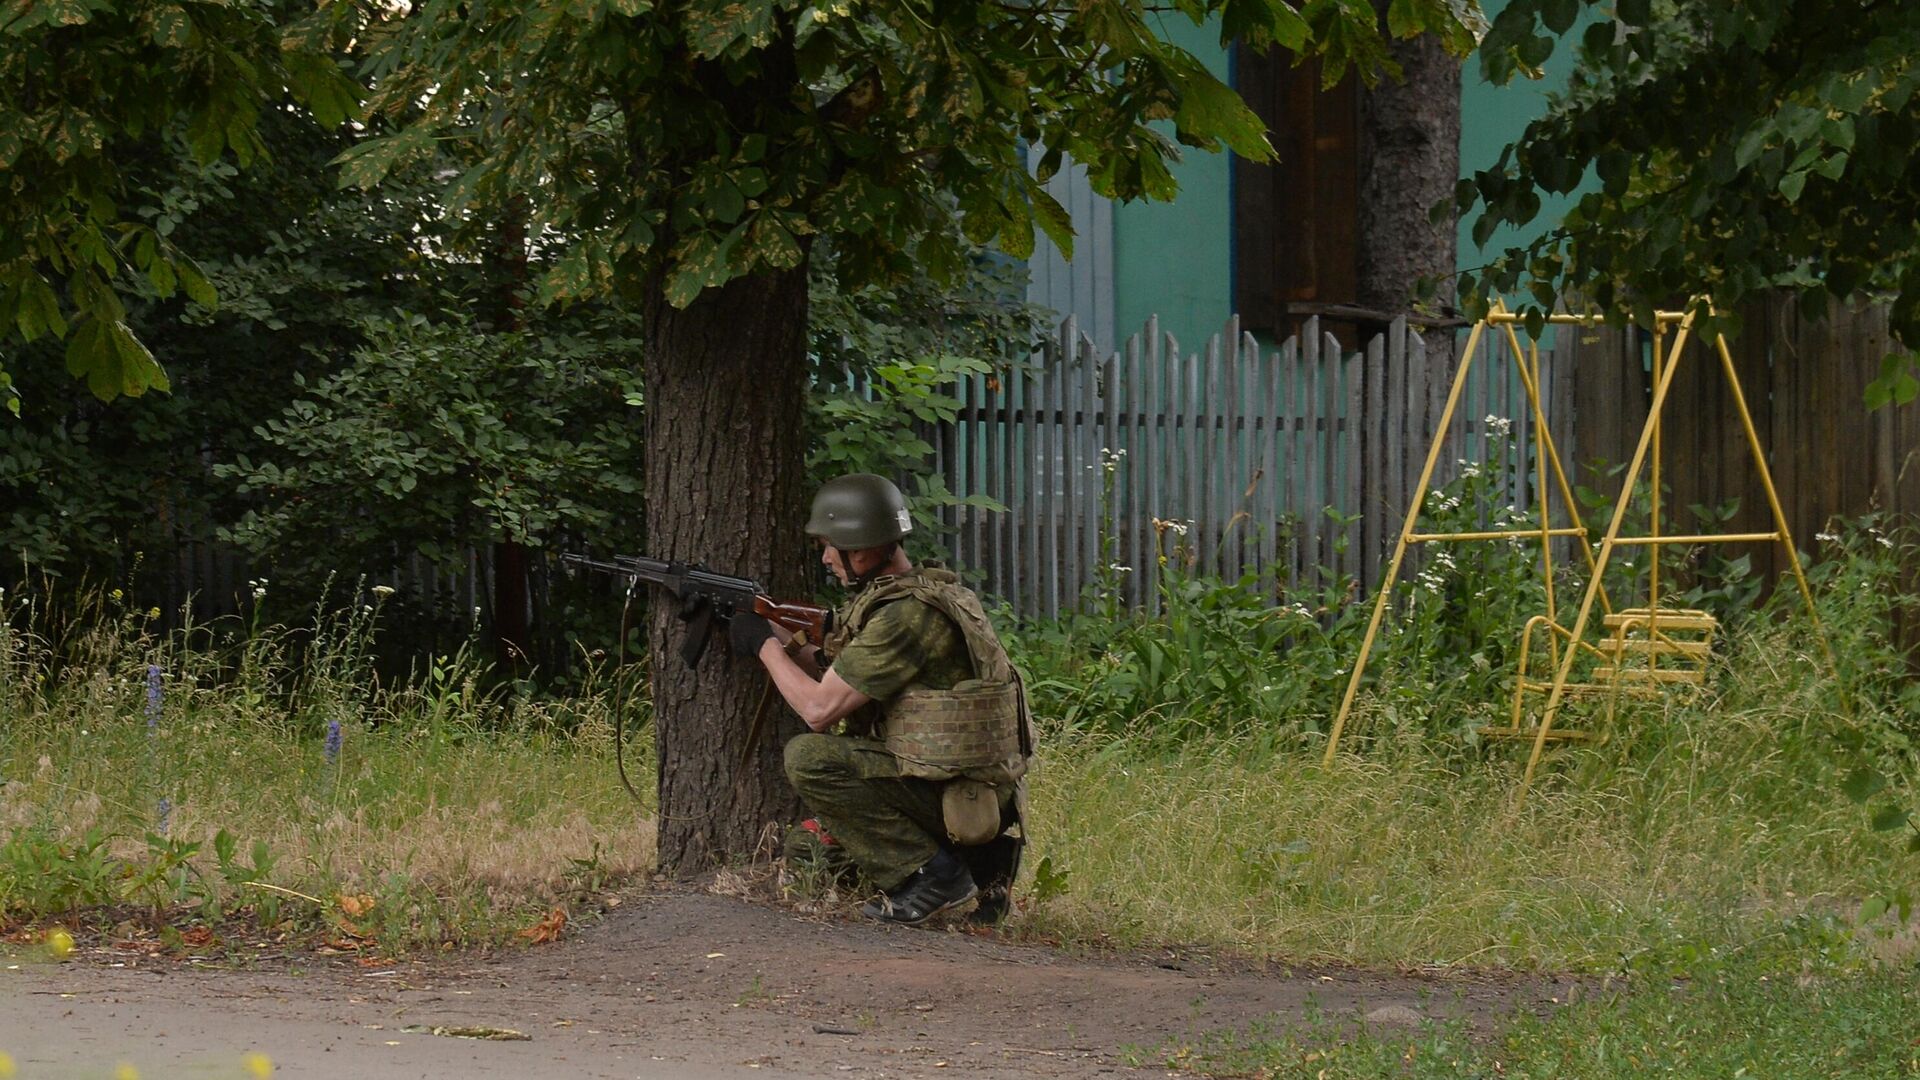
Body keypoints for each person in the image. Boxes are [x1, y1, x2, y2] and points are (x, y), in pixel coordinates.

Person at [727, 473, 1031, 925]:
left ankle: (937, 875)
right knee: (809, 853)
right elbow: (840, 680)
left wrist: (763, 647)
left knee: (809, 757)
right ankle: (983, 865)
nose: (827, 558)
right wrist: (770, 627)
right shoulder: (925, 596)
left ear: (864, 548)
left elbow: (819, 710)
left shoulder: (905, 617)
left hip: (955, 794)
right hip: (958, 787)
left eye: (833, 546)